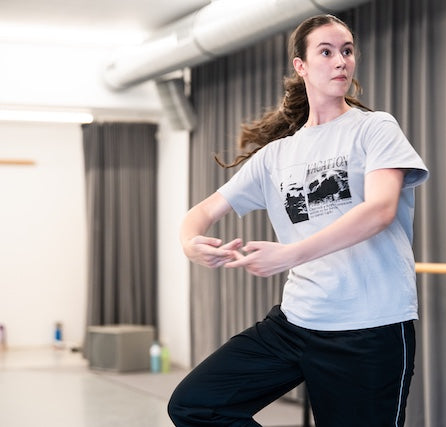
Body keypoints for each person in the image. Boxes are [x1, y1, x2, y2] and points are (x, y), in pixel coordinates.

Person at [168, 14, 429, 427]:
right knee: (196, 404)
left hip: (369, 328)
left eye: (347, 51)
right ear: (301, 66)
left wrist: (290, 254)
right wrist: (190, 242)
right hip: (296, 324)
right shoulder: (276, 155)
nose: (341, 61)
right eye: (326, 52)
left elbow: (380, 210)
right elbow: (200, 213)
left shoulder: (374, 129)